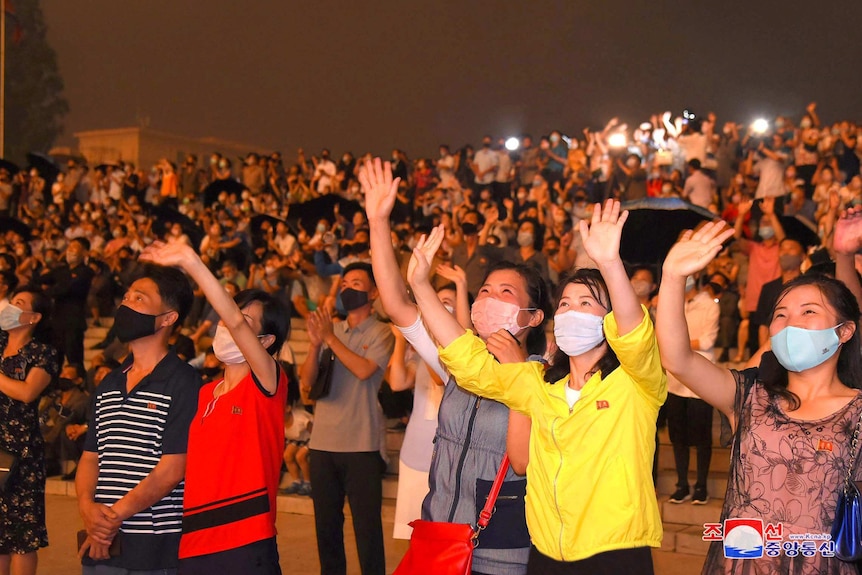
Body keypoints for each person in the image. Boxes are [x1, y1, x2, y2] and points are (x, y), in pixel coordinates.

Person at [409, 199, 665, 574]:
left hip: (615, 553)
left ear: (610, 320)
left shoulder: (634, 384)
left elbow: (636, 338)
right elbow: (467, 360)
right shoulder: (540, 384)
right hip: (546, 554)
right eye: (564, 303)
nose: (571, 310)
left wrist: (609, 264)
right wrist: (420, 285)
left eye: (586, 302)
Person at [363, 159, 546, 574]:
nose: (489, 299)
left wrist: (520, 376)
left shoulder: (547, 379)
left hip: (500, 547)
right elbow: (397, 304)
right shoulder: (459, 361)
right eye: (484, 290)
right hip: (439, 533)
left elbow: (527, 461)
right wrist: (378, 221)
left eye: (506, 292)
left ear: (533, 316)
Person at [656, 219, 862, 574]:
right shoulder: (751, 396)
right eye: (780, 314)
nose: (790, 322)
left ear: (843, 331)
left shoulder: (857, 412)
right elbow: (678, 359)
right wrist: (673, 276)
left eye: (808, 311)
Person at [139, 240, 290, 574]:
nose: (226, 322)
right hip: (194, 538)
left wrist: (191, 262)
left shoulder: (267, 381)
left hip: (245, 538)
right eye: (227, 313)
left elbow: (235, 323)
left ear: (265, 341)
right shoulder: (206, 392)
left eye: (241, 318)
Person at [76, 264, 198, 574]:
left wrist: (110, 519)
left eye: (139, 298)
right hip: (102, 542)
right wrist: (88, 510)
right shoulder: (110, 381)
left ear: (169, 318)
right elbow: (91, 457)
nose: (126, 304)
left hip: (152, 546)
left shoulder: (184, 382)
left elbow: (172, 469)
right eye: (127, 296)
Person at [299, 262, 395, 575]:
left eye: (356, 283)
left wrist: (328, 339)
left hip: (361, 445)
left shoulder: (382, 332)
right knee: (326, 529)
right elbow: (306, 384)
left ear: (374, 292)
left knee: (367, 531)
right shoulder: (332, 330)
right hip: (323, 444)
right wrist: (315, 345)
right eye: (344, 284)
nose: (347, 289)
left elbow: (365, 370)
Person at [0, 287, 59, 575]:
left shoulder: (42, 353)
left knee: (22, 534)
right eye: (11, 301)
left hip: (20, 450)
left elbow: (27, 392)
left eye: (19, 303)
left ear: (34, 317)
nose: (10, 306)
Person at [665, 275, 719, 505]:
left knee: (701, 436)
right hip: (674, 379)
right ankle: (682, 484)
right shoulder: (672, 301)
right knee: (678, 436)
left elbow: (707, 340)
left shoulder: (709, 304)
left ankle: (702, 485)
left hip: (700, 378)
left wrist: (675, 344)